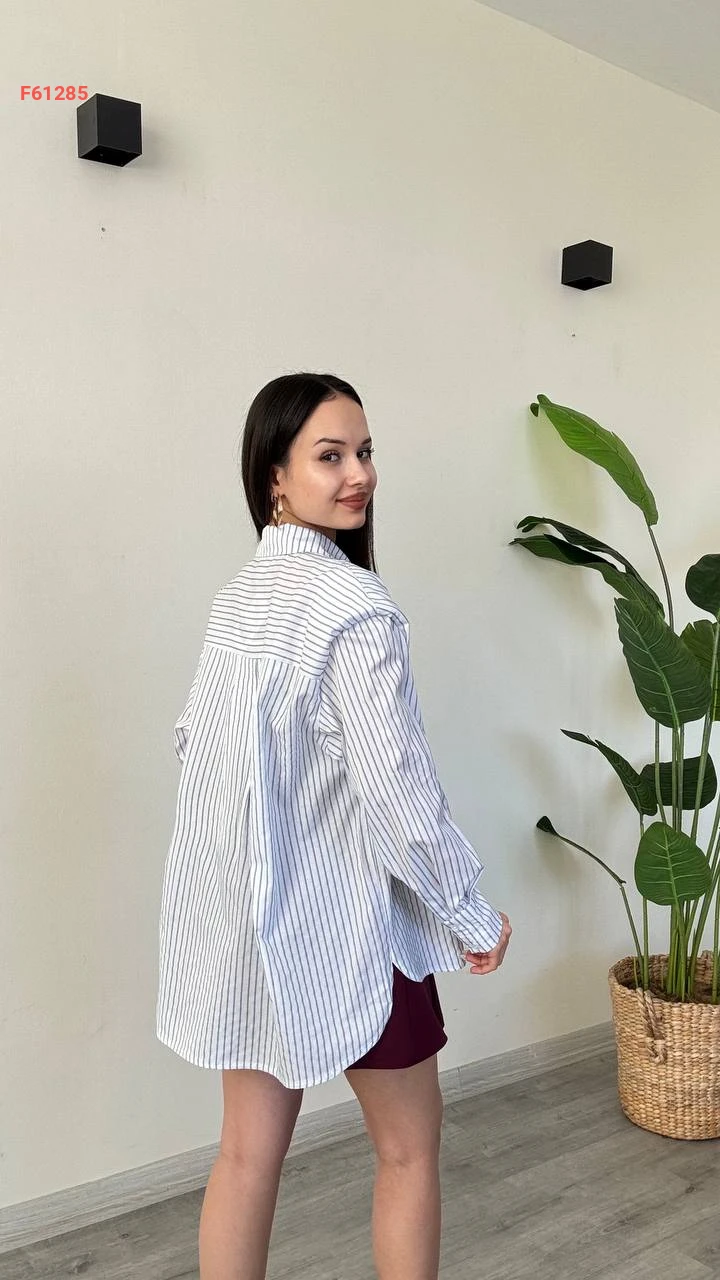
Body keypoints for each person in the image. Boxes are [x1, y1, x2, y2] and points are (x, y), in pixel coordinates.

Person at [156, 372, 512, 1280]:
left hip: (251, 930)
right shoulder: (355, 610)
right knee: (409, 1152)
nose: (359, 474)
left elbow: (201, 761)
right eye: (330, 456)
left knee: (245, 1157)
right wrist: (468, 913)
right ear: (274, 476)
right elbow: (399, 796)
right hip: (357, 928)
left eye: (364, 451)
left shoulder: (238, 599)